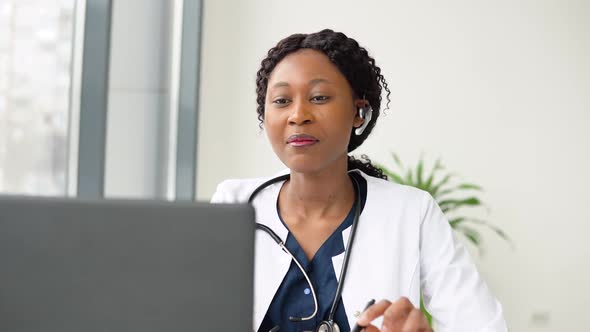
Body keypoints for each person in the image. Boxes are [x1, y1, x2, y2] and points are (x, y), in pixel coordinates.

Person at [211, 29, 507, 332]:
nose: (298, 115)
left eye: (319, 97)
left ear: (359, 112)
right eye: (282, 100)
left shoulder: (412, 212)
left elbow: (480, 325)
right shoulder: (233, 204)